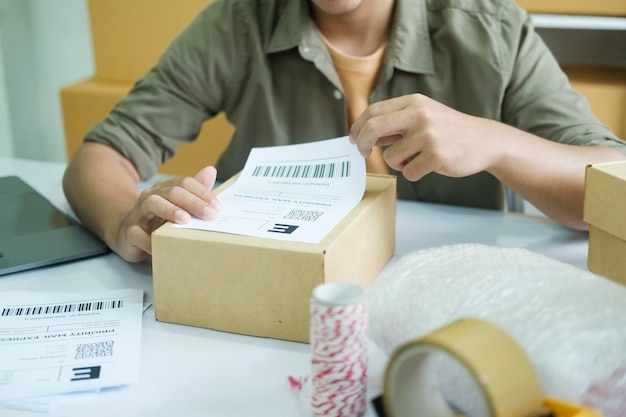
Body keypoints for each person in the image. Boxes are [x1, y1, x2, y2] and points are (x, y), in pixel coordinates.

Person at [63, 0, 626, 263]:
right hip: (272, 291)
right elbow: (102, 153)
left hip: (449, 291)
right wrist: (123, 220)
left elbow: (612, 179)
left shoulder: (493, 28)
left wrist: (497, 142)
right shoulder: (238, 21)